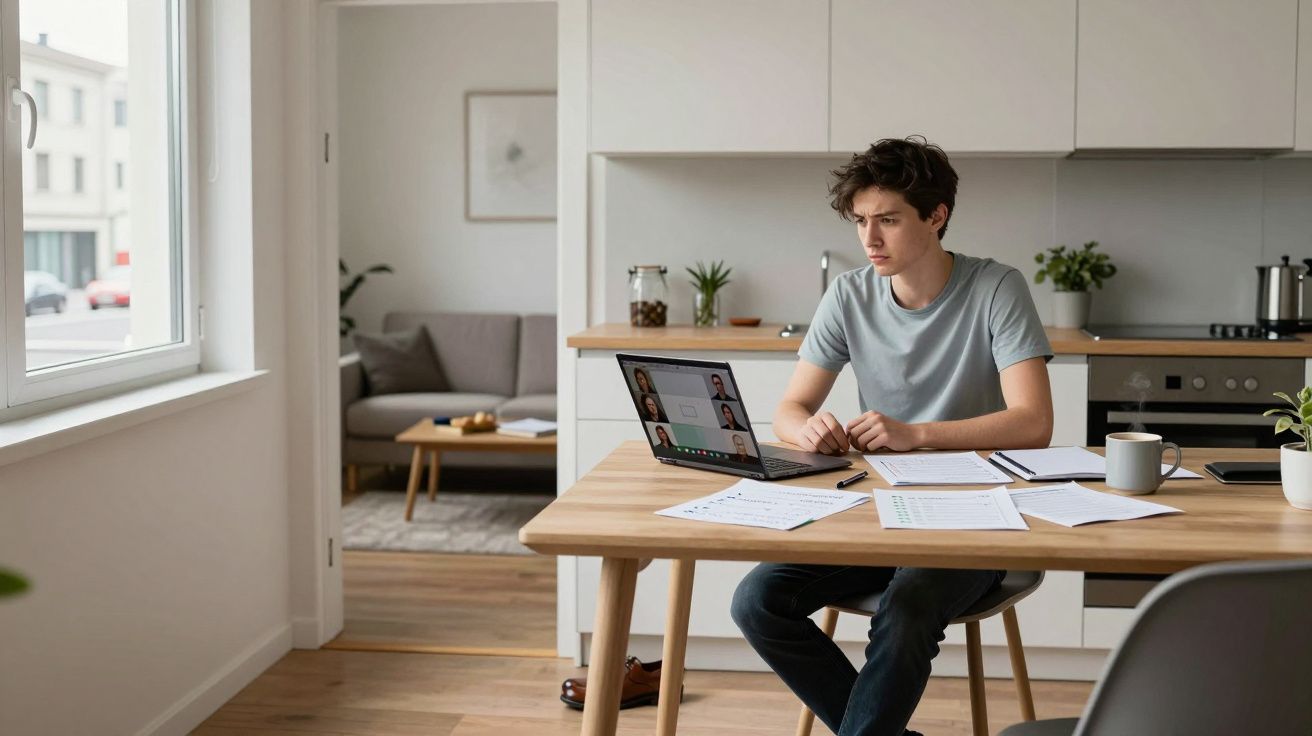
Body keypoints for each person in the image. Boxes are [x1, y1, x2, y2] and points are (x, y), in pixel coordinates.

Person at [729, 136, 1054, 736]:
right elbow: (790, 408)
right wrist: (812, 428)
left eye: (888, 220)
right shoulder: (849, 295)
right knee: (757, 602)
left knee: (907, 606)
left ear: (937, 216)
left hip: (976, 520)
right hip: (875, 517)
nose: (869, 239)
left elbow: (1033, 422)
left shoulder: (996, 289)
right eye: (860, 221)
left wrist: (917, 434)